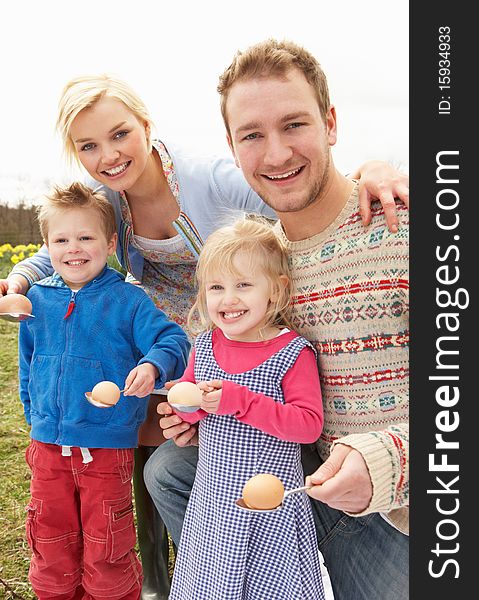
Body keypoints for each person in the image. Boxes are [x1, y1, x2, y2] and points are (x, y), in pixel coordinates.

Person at [0, 74, 408, 598]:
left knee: (178, 445)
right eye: (89, 146)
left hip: (244, 331)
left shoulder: (211, 180)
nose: (109, 155)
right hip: (188, 343)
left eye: (120, 134)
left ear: (146, 127)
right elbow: (60, 241)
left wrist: (370, 171)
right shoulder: (109, 199)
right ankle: (192, 569)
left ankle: (256, 560)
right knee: (161, 448)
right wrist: (21, 278)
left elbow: (294, 190)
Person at [145, 39, 409, 600]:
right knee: (171, 467)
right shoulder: (262, 263)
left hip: (401, 508)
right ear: (232, 147)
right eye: (252, 135)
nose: (276, 154)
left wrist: (391, 457)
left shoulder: (402, 229)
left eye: (294, 125)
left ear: (331, 123)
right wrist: (200, 414)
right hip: (298, 477)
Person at [19, 182, 189, 600]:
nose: (73, 248)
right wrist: (34, 414)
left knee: (106, 541)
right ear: (46, 246)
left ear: (110, 242)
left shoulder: (128, 301)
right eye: (61, 239)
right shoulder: (36, 301)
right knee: (50, 534)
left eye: (86, 237)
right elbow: (28, 365)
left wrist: (152, 365)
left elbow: (173, 341)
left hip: (107, 448)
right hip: (47, 446)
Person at [167, 218, 325, 599]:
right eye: (216, 287)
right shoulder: (205, 346)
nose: (228, 299)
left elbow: (308, 426)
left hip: (271, 510)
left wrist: (240, 400)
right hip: (215, 504)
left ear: (276, 291)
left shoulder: (291, 352)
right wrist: (188, 405)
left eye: (243, 285)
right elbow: (190, 411)